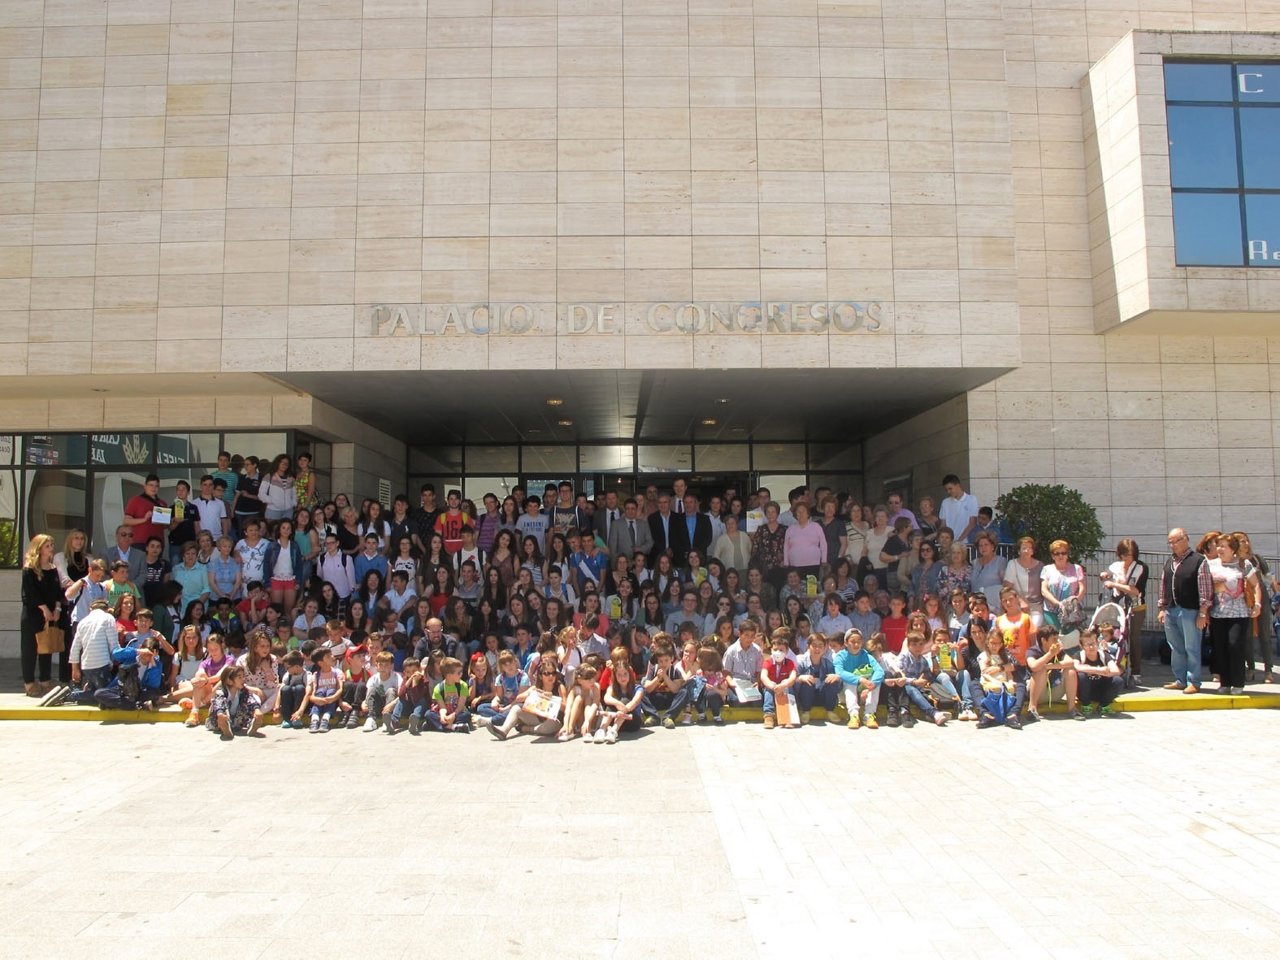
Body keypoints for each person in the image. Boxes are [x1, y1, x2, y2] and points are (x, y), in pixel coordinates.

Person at [1157, 528, 1214, 694]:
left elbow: (1205, 589)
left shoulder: (1198, 560)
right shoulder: (1170, 562)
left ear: (1186, 539)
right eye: (1170, 542)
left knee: (1192, 647)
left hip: (1190, 610)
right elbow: (1164, 585)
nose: (1173, 545)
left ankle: (1194, 681)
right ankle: (1180, 679)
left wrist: (1203, 612)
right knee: (1175, 647)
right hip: (1171, 610)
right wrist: (1162, 608)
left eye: (1176, 541)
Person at [1207, 533, 1262, 695]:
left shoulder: (1243, 564)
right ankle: (1225, 682)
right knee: (1220, 648)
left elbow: (1256, 585)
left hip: (1239, 613)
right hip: (1218, 613)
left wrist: (1257, 604)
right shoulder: (1211, 564)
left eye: (1223, 546)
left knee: (1235, 646)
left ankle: (1238, 682)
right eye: (1218, 546)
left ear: (1232, 549)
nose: (1219, 549)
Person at [20, 534, 65, 697]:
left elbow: (58, 591)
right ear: (38, 548)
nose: (51, 549)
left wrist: (57, 608)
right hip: (33, 613)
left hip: (51, 613)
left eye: (51, 545)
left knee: (47, 645)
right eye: (47, 546)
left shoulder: (53, 569)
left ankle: (45, 680)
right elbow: (30, 593)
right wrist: (44, 609)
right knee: (30, 648)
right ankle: (29, 682)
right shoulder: (29, 568)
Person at [1101, 538, 1148, 686]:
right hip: (1118, 607)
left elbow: (1135, 591)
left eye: (1131, 555)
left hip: (1135, 607)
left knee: (1133, 639)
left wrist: (1114, 584)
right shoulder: (1115, 566)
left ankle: (1136, 672)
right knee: (1116, 637)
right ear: (1120, 554)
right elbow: (1106, 574)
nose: (1127, 558)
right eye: (1125, 554)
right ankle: (1117, 667)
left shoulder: (1141, 567)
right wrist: (1104, 575)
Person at [1026, 623, 1083, 721]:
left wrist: (1049, 666)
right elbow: (1034, 667)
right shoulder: (1032, 651)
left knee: (1070, 670)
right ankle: (1032, 709)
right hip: (1037, 692)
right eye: (1054, 639)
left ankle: (1072, 709)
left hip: (1054, 690)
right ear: (1044, 640)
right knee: (1040, 670)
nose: (1057, 642)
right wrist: (1050, 654)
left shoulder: (1058, 651)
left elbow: (1070, 662)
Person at [834, 628, 882, 729]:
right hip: (844, 693)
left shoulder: (866, 655)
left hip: (864, 692)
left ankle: (869, 715)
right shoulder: (840, 656)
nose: (856, 645)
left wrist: (871, 685)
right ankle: (854, 715)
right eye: (853, 642)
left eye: (859, 642)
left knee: (876, 682)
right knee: (850, 681)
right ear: (846, 643)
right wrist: (860, 679)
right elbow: (840, 672)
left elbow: (879, 671)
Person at [207, 664, 265, 740]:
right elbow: (218, 703)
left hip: (236, 721)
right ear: (229, 681)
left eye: (243, 676)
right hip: (218, 720)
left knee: (248, 703)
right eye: (239, 677)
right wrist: (220, 713)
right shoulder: (222, 691)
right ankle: (223, 725)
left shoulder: (243, 691)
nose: (243, 679)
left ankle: (252, 724)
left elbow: (251, 699)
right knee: (221, 707)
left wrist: (256, 709)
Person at [1040, 539, 1086, 633]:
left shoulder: (1076, 568)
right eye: (1057, 553)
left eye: (1063, 553)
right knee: (1057, 635)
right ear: (1053, 556)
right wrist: (1058, 604)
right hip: (1052, 610)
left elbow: (1082, 587)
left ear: (1067, 554)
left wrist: (1076, 601)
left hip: (1072, 612)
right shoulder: (1047, 569)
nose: (1060, 556)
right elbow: (1044, 590)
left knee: (1071, 637)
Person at [1075, 628, 1123, 715]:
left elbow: (1116, 671)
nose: (1091, 647)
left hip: (1100, 689)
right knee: (1081, 676)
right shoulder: (1079, 655)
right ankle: (1086, 705)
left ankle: (1104, 705)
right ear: (1082, 646)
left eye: (1093, 643)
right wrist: (1099, 670)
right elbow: (1076, 667)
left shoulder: (1103, 655)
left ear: (1097, 643)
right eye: (1087, 644)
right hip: (1084, 691)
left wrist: (1090, 670)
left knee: (1118, 680)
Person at [793, 632, 839, 723]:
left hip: (821, 696)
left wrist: (836, 677)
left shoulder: (828, 663)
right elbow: (792, 680)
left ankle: (830, 711)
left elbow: (838, 685)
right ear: (808, 646)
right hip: (805, 696)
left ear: (825, 647)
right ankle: (806, 712)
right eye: (814, 645)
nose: (817, 649)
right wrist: (801, 678)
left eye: (820, 646)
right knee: (807, 681)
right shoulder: (800, 661)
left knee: (832, 680)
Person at [760, 633, 799, 729]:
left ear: (786, 652)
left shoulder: (790, 663)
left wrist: (783, 685)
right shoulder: (768, 662)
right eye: (775, 650)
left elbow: (793, 677)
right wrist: (773, 686)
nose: (778, 652)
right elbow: (763, 676)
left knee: (789, 687)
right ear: (771, 650)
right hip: (771, 687)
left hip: (784, 688)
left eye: (781, 650)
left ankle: (789, 717)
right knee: (768, 690)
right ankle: (768, 716)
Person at [1003, 536, 1044, 626]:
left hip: (1036, 607)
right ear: (1019, 551)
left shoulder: (1040, 566)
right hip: (1018, 606)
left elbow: (1044, 588)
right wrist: (1021, 601)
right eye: (1024, 548)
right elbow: (1007, 587)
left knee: (1034, 630)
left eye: (1029, 548)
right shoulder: (1012, 564)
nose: (1027, 550)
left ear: (1033, 551)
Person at [938, 474, 978, 543]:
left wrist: (959, 540)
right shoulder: (945, 502)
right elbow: (943, 525)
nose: (948, 492)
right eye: (946, 489)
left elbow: (972, 522)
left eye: (950, 489)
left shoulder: (971, 499)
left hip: (965, 543)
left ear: (958, 485)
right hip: (949, 543)